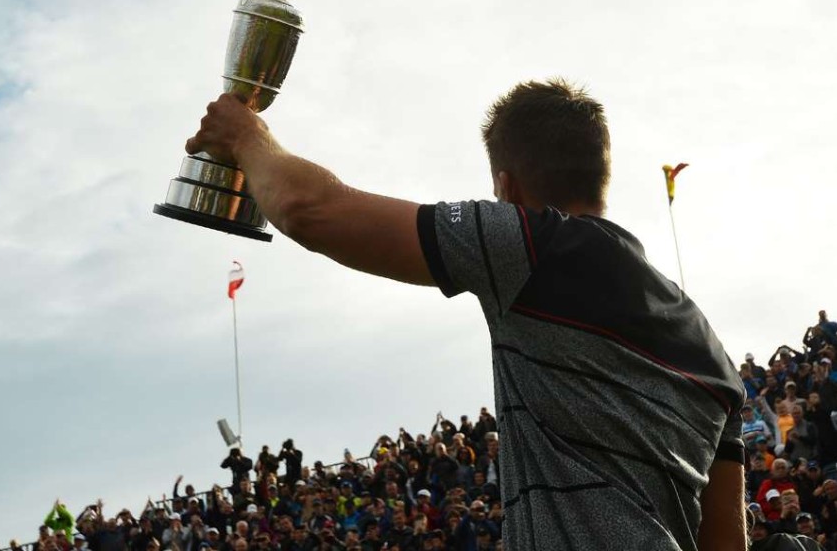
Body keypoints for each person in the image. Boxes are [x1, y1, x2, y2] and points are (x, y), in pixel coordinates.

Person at [186, 80, 748, 550]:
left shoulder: (534, 247)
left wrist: (247, 136)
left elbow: (310, 210)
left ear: (506, 186)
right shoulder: (714, 355)